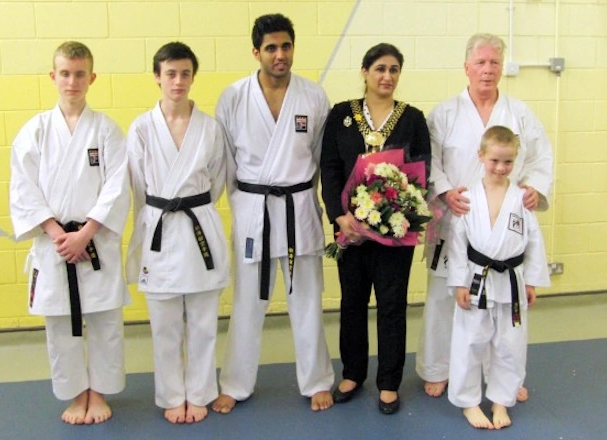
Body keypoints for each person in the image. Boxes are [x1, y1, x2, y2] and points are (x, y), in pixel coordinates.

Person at [416, 33, 554, 399]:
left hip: (503, 224)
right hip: (453, 217)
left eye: (494, 62)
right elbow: (428, 160)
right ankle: (438, 368)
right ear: (466, 67)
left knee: (501, 303)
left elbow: (541, 158)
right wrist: (445, 190)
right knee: (445, 296)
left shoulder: (520, 113)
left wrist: (533, 189)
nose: (487, 70)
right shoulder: (444, 113)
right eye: (480, 62)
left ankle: (501, 378)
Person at [211, 13, 334, 414]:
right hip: (253, 212)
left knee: (307, 302)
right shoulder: (233, 96)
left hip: (299, 210)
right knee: (247, 303)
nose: (280, 55)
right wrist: (243, 208)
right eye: (271, 48)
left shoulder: (314, 96)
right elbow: (225, 161)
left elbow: (321, 160)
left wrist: (312, 205)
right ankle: (234, 383)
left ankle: (316, 380)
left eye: (286, 46)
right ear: (256, 52)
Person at [9, 41, 131, 425]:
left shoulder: (107, 130)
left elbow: (117, 186)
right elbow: (23, 187)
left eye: (80, 74)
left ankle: (99, 393)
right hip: (54, 244)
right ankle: (76, 394)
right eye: (65, 73)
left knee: (104, 323)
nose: (72, 81)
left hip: (94, 242)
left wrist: (86, 233)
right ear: (53, 76)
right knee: (61, 324)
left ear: (91, 77)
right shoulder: (35, 131)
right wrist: (56, 231)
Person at [320, 43, 431, 415]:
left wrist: (397, 214)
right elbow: (330, 168)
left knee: (392, 305)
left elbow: (421, 173)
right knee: (351, 302)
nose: (387, 76)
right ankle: (352, 372)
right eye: (380, 68)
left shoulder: (413, 118)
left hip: (394, 232)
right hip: (350, 231)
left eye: (394, 69)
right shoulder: (340, 115)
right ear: (364, 71)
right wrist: (340, 216)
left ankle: (388, 382)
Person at [125, 42, 229, 424]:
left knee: (203, 322)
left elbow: (216, 180)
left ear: (192, 77)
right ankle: (171, 394)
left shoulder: (210, 127)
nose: (178, 81)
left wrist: (192, 204)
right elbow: (137, 186)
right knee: (165, 325)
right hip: (160, 228)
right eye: (170, 73)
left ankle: (200, 392)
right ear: (157, 76)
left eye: (185, 73)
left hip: (199, 222)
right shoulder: (140, 128)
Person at [447, 125, 550, 429]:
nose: (501, 168)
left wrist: (530, 280)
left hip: (512, 281)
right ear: (481, 156)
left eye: (508, 162)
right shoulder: (468, 197)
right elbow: (456, 244)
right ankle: (468, 402)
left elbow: (533, 241)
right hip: (477, 278)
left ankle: (502, 399)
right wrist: (459, 283)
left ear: (515, 161)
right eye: (495, 160)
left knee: (510, 343)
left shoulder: (522, 198)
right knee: (470, 341)